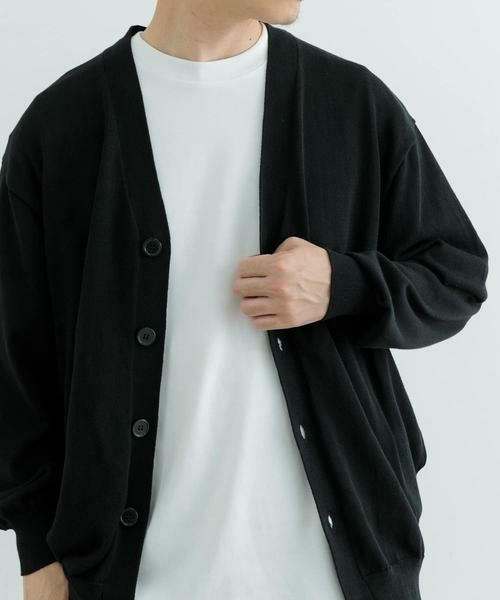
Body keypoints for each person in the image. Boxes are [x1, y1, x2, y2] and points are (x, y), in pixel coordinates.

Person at [0, 1, 489, 600]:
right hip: (137, 577)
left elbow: (456, 272)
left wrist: (342, 284)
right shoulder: (61, 128)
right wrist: (38, 554)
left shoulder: (351, 102)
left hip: (335, 574)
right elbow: (18, 362)